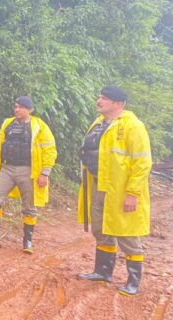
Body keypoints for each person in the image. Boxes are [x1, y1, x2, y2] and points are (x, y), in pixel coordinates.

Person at [76, 86, 151, 296]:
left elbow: (142, 162)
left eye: (104, 98)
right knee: (100, 229)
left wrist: (132, 193)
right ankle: (102, 272)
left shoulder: (133, 126)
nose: (98, 101)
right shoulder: (98, 124)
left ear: (117, 104)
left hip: (120, 189)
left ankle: (133, 281)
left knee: (126, 233)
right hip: (98, 185)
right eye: (99, 97)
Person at [0, 96, 57, 254]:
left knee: (29, 206)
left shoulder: (38, 126)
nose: (17, 110)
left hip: (28, 171)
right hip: (7, 168)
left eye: (21, 107)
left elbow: (50, 150)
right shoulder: (8, 123)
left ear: (30, 110)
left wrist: (45, 173)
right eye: (16, 106)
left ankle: (27, 241)